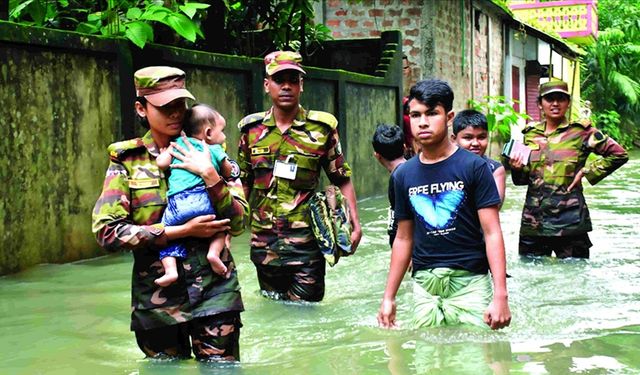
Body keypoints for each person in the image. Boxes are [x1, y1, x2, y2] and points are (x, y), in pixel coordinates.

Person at [92, 66, 248, 361]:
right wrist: (177, 233)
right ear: (141, 108)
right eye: (165, 106)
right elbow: (106, 232)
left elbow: (240, 222)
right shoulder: (127, 160)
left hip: (216, 292)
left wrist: (211, 177)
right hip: (157, 301)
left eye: (180, 104)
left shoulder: (211, 148)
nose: (176, 113)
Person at [377, 79, 511, 330]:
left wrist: (500, 295)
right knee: (427, 360)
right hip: (425, 286)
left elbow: (493, 232)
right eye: (415, 115)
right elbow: (403, 238)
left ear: (448, 116)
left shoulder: (475, 167)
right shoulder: (403, 175)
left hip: (470, 281)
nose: (423, 122)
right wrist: (388, 297)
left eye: (432, 113)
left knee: (476, 360)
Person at [237, 51, 362, 302]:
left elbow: (341, 177)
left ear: (301, 85)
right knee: (274, 311)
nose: (286, 86)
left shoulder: (322, 129)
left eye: (293, 80)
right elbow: (243, 183)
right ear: (266, 85)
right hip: (264, 244)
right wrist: (232, 228)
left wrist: (353, 224)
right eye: (278, 79)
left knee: (306, 314)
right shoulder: (250, 131)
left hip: (308, 245)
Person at [508, 80, 628, 259]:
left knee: (575, 277)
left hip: (570, 222)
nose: (555, 103)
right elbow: (521, 181)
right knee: (533, 277)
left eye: (561, 99)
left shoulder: (582, 132)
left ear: (568, 102)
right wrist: (516, 169)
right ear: (540, 104)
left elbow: (619, 154)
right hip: (534, 223)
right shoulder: (530, 135)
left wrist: (587, 171)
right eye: (549, 99)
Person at [154, 103, 237, 287]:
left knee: (165, 234)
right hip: (202, 200)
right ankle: (213, 254)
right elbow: (229, 171)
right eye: (222, 131)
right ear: (208, 133)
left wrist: (165, 152)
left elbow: (161, 164)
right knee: (221, 227)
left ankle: (170, 270)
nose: (223, 136)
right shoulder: (213, 148)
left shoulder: (178, 145)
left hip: (177, 204)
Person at [452, 109, 506, 206]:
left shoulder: (495, 169)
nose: (475, 143)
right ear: (454, 139)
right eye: (468, 137)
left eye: (481, 137)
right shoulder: (446, 166)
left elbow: (495, 206)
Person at [371, 123, 406, 247]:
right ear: (405, 147)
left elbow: (400, 223)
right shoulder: (412, 170)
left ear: (377, 156)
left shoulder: (397, 177)